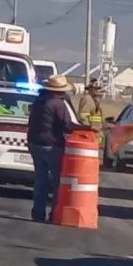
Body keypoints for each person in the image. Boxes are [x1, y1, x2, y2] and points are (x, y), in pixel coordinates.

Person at [26, 74, 86, 223]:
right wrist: (88, 128)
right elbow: (67, 125)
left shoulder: (39, 101)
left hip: (35, 143)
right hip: (52, 145)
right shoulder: (57, 104)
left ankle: (38, 213)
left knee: (40, 180)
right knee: (58, 181)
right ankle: (55, 213)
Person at [77, 78, 105, 147]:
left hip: (97, 136)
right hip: (90, 135)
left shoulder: (96, 101)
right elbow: (83, 117)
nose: (97, 91)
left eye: (98, 89)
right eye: (95, 89)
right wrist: (90, 128)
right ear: (90, 89)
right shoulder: (87, 99)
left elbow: (99, 118)